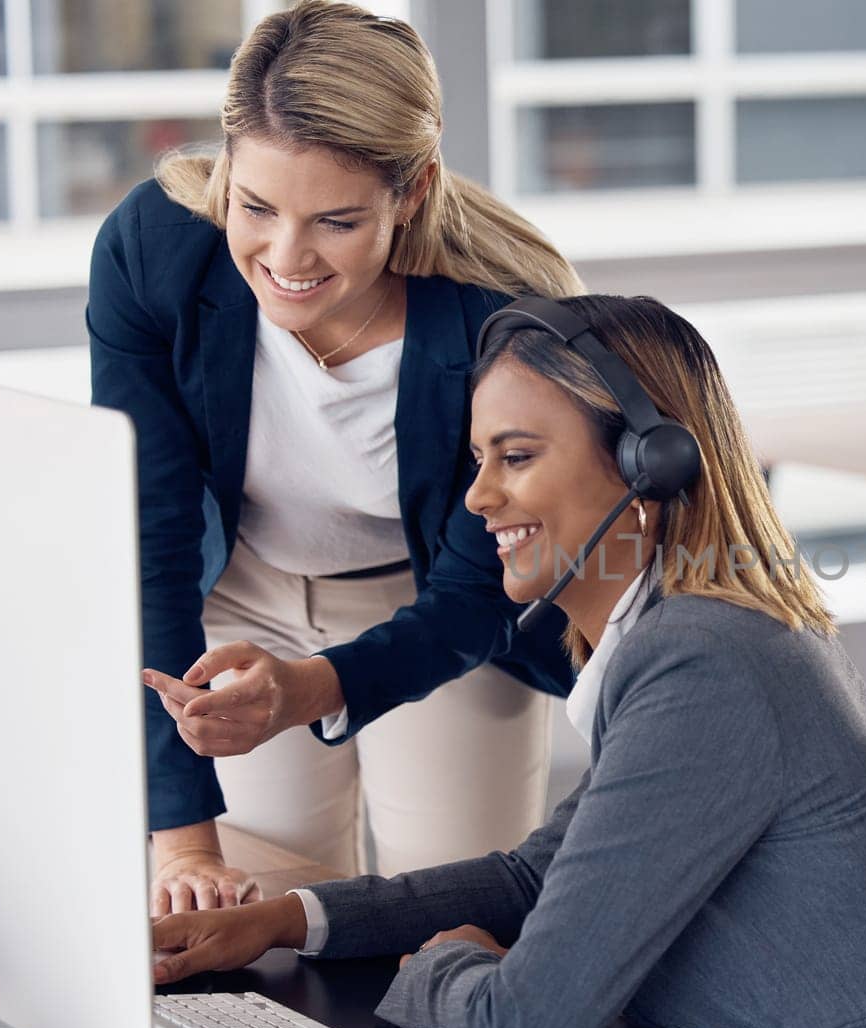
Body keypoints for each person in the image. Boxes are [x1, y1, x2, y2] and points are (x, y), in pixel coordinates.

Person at [148, 294, 866, 1028]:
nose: (478, 496)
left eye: (517, 456)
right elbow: (534, 877)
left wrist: (440, 969)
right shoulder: (678, 637)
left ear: (649, 465)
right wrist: (282, 920)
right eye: (478, 459)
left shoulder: (710, 664)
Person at [88, 1, 581, 916]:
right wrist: (183, 847)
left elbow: (483, 584)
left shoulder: (505, 316)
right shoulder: (154, 250)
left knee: (450, 918)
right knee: (261, 914)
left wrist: (315, 686)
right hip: (243, 589)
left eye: (338, 222)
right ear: (228, 167)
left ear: (415, 191)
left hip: (437, 603)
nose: (286, 257)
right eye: (256, 206)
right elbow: (145, 535)